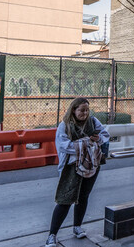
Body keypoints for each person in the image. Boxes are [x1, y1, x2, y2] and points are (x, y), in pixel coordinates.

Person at [45, 97, 110, 247]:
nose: (84, 113)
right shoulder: (65, 125)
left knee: (83, 196)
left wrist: (97, 138)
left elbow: (105, 136)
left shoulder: (93, 122)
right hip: (71, 167)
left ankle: (77, 226)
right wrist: (87, 142)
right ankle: (52, 235)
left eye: (87, 110)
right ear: (73, 110)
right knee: (65, 200)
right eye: (81, 110)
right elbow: (64, 146)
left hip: (91, 164)